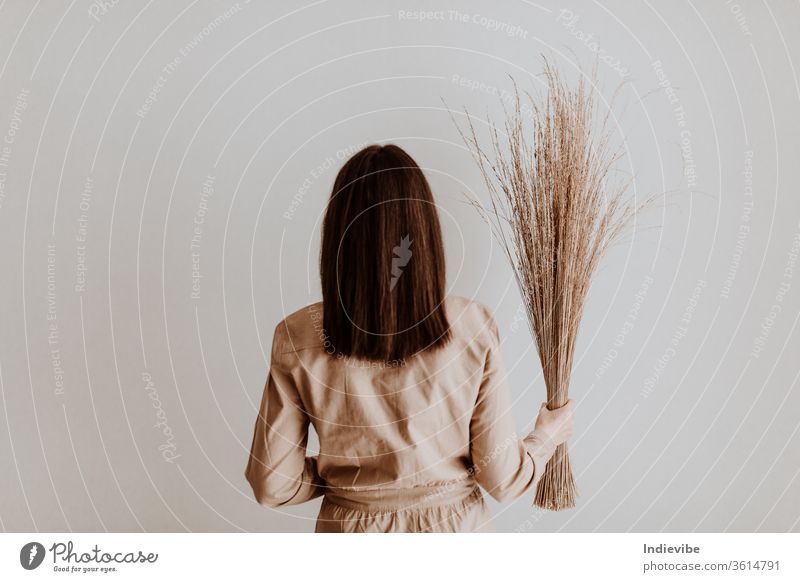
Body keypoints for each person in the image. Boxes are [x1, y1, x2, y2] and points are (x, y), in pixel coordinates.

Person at [245, 144, 574, 532]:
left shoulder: (299, 335)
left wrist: (343, 475)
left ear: (339, 239)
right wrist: (546, 437)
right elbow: (501, 478)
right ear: (426, 232)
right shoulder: (473, 326)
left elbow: (272, 484)